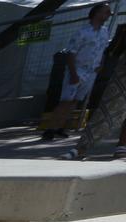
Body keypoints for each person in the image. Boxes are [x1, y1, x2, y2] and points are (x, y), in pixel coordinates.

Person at [43, 2, 113, 142]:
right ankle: (49, 129)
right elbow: (71, 53)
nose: (108, 14)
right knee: (66, 101)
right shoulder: (82, 32)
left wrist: (102, 64)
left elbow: (104, 49)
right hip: (78, 70)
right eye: (105, 12)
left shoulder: (105, 31)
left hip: (91, 72)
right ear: (97, 13)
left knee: (75, 101)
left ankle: (60, 127)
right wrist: (74, 74)